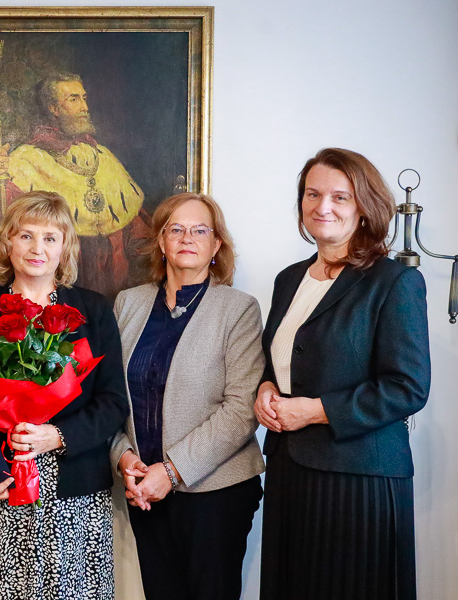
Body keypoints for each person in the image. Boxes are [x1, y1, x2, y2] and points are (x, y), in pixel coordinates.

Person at [255, 148, 431, 600]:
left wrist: (314, 411)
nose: (323, 206)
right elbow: (280, 358)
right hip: (290, 470)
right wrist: (267, 389)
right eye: (312, 194)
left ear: (364, 208)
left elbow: (407, 387)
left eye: (340, 196)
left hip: (359, 478)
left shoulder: (394, 281)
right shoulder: (288, 279)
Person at [0, 191, 129, 600]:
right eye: (26, 236)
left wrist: (57, 436)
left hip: (74, 495)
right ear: (7, 242)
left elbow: (113, 402)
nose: (37, 248)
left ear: (65, 247)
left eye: (50, 237)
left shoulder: (93, 311)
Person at [110, 192, 265, 599]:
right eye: (175, 229)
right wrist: (124, 458)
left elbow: (241, 411)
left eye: (200, 230)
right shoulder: (128, 303)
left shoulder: (239, 309)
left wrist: (172, 470)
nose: (187, 237)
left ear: (216, 245)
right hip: (143, 489)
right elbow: (109, 395)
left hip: (214, 494)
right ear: (161, 241)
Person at [0, 73, 151, 297]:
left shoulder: (103, 156)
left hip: (110, 288)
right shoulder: (26, 160)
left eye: (84, 98)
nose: (84, 106)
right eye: (74, 99)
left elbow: (134, 223)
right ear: (53, 108)